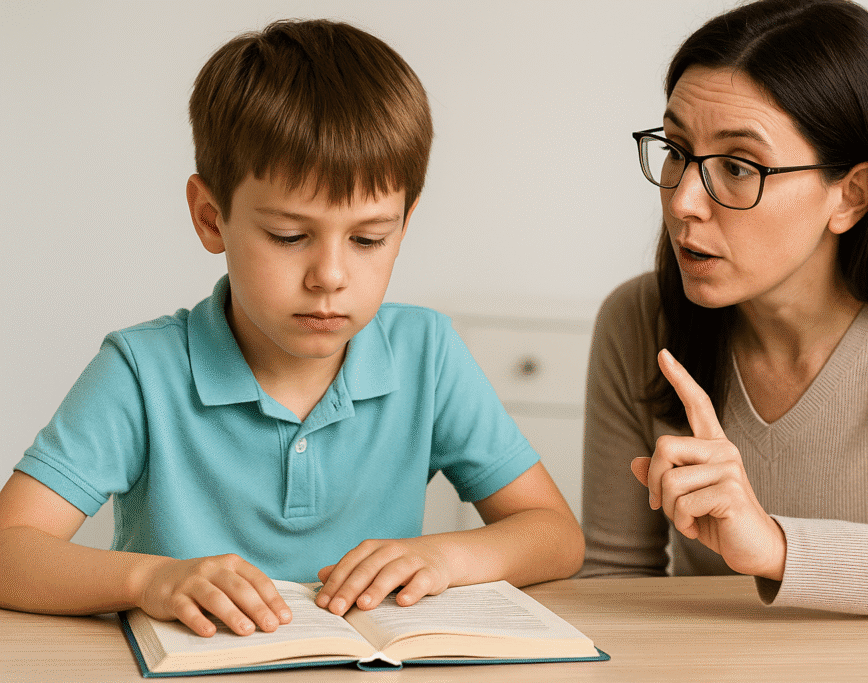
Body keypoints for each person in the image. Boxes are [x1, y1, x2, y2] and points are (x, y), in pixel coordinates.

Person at [0, 19, 582, 638]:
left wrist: (446, 557)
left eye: (368, 239)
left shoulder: (426, 354)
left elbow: (555, 535)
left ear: (404, 225)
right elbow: (10, 548)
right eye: (288, 236)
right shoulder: (143, 370)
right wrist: (149, 580)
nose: (329, 276)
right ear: (210, 217)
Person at [579, 0, 868, 617]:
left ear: (851, 195)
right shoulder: (638, 320)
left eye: (738, 166)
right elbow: (614, 587)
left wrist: (776, 547)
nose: (683, 200)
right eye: (676, 150)